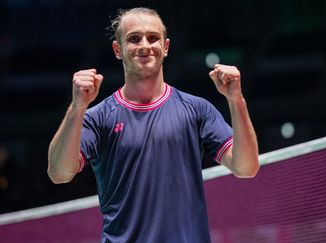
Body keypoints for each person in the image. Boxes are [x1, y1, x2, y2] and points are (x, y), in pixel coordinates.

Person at [47, 7, 259, 243]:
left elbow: (246, 168)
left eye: (153, 37)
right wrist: (77, 107)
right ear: (118, 50)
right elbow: (59, 173)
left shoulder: (197, 110)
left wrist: (236, 100)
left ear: (166, 47)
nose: (145, 45)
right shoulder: (98, 118)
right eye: (134, 39)